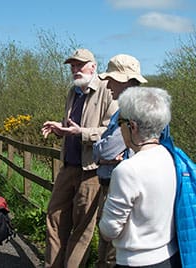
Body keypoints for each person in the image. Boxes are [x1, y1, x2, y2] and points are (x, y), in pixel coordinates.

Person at [41, 48, 118, 267]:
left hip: (90, 170)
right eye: (72, 66)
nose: (75, 69)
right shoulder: (73, 91)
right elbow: (71, 126)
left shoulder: (107, 90)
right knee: (54, 219)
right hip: (68, 166)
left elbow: (112, 131)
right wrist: (60, 127)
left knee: (82, 229)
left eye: (80, 65)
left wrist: (81, 133)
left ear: (93, 66)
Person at [99, 87, 181, 267]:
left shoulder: (128, 169)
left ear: (132, 126)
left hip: (136, 261)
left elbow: (110, 230)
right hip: (170, 256)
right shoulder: (173, 159)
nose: (120, 128)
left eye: (120, 122)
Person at [93, 54, 148, 268]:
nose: (107, 85)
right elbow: (104, 151)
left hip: (119, 186)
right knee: (108, 246)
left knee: (112, 248)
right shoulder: (126, 108)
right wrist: (102, 150)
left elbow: (105, 150)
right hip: (113, 182)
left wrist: (101, 149)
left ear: (125, 80)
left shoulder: (130, 110)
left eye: (111, 79)